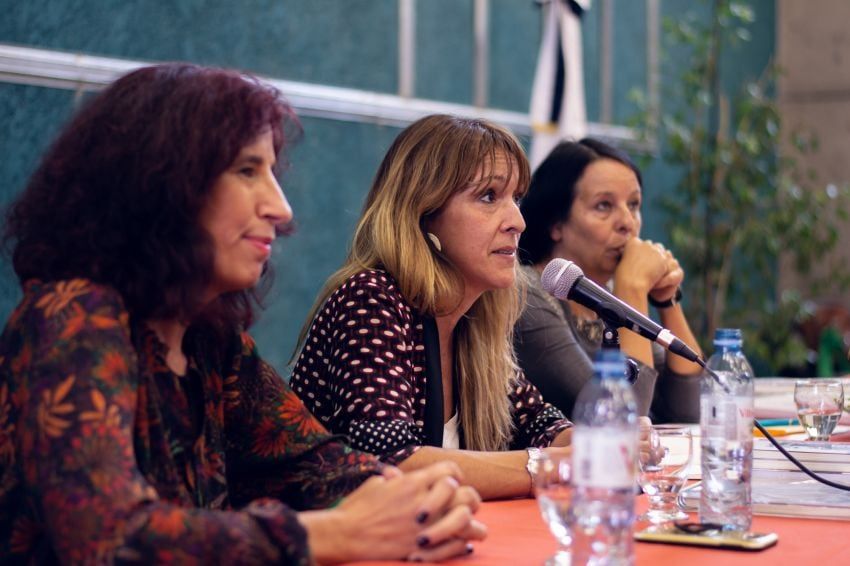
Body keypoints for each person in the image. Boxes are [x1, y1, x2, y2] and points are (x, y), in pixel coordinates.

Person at [0, 64, 485, 564]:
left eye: (272, 173)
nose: (281, 208)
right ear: (159, 182)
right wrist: (331, 534)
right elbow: (108, 536)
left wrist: (412, 502)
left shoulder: (208, 337)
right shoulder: (73, 321)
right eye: (247, 170)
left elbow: (314, 463)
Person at [290, 114, 573, 501]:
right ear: (424, 214)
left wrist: (603, 446)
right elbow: (391, 462)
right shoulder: (372, 299)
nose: (518, 221)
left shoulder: (471, 322)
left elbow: (544, 425)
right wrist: (553, 465)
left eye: (517, 198)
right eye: (489, 196)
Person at [516, 138, 703, 422]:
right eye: (604, 206)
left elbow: (687, 410)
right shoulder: (527, 293)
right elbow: (619, 421)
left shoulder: (607, 298)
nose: (628, 222)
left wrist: (667, 299)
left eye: (634, 204)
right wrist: (634, 286)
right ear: (556, 224)